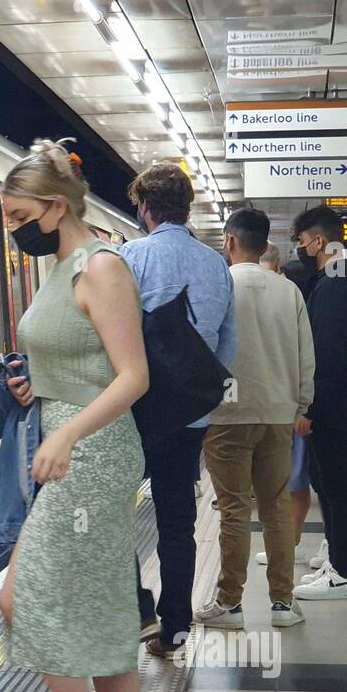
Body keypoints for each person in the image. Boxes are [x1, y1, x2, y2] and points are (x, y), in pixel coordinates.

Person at [0, 139, 150, 692]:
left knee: (23, 597)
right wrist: (45, 392)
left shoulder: (100, 266)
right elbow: (80, 356)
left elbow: (133, 376)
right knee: (106, 601)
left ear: (55, 209)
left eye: (16, 215)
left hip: (94, 449)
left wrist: (66, 427)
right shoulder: (61, 265)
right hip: (68, 434)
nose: (11, 228)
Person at [123, 162, 237, 656]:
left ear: (146, 207)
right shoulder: (216, 264)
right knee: (177, 523)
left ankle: (137, 608)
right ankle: (175, 627)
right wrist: (204, 391)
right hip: (190, 415)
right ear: (186, 208)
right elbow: (227, 344)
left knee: (107, 514)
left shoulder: (131, 256)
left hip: (136, 412)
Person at [194, 208, 314, 630]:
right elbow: (306, 355)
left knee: (234, 510)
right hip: (279, 414)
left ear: (229, 241)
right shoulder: (290, 292)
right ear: (265, 245)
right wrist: (300, 405)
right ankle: (283, 604)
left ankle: (230, 604)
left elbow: (204, 349)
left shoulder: (219, 287)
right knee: (277, 509)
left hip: (228, 415)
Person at [290, 206, 347, 602]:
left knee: (335, 487)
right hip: (343, 398)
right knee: (331, 485)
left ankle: (342, 573)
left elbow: (322, 353)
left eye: (304, 242)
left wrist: (308, 408)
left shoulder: (333, 285)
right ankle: (338, 563)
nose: (302, 250)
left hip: (332, 402)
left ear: (320, 241)